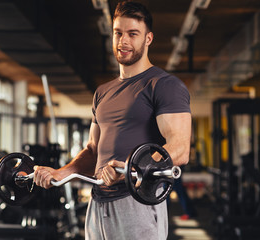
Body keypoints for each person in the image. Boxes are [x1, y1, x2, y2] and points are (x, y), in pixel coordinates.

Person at [33, 1, 191, 239]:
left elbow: (179, 150)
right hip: (97, 203)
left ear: (148, 39)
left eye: (132, 34)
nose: (123, 41)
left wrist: (130, 170)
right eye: (118, 33)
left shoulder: (163, 85)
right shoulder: (102, 93)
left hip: (136, 203)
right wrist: (61, 174)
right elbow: (93, 150)